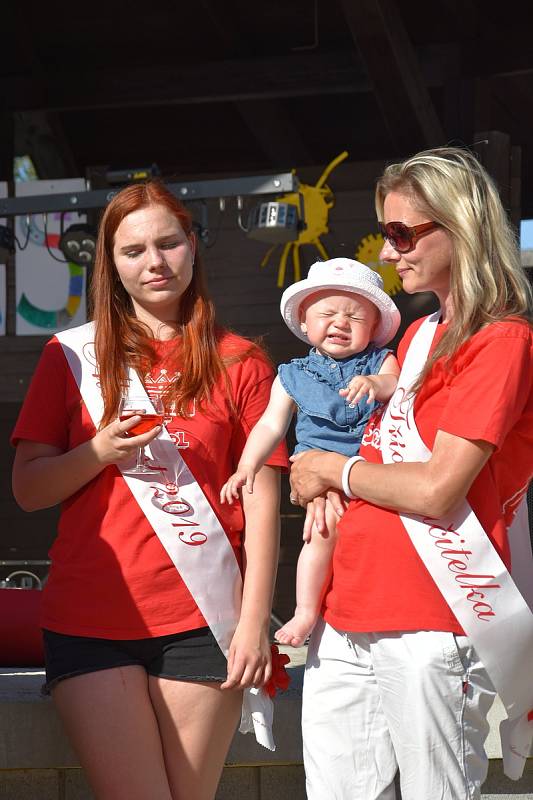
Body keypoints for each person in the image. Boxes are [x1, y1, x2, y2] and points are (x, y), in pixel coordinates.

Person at [11, 180, 287, 800]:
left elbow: (264, 500)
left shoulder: (242, 363)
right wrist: (98, 452)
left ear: (193, 247)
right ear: (110, 264)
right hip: (90, 618)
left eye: (168, 244)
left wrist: (252, 623)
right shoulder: (71, 359)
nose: (154, 263)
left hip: (203, 617)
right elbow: (28, 489)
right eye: (133, 251)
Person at [289, 147, 533, 800]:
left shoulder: (501, 339)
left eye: (401, 233)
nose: (389, 251)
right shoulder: (416, 336)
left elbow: (433, 488)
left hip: (435, 616)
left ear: (458, 226)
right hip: (348, 611)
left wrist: (326, 468)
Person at [220, 258, 400, 646]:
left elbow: (395, 385)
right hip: (319, 475)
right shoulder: (292, 374)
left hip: (370, 466)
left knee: (375, 537)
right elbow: (270, 424)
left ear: (374, 328)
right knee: (321, 532)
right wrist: (245, 466)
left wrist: (375, 383)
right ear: (304, 322)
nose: (341, 323)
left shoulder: (379, 360)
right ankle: (304, 611)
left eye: (355, 316)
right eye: (328, 313)